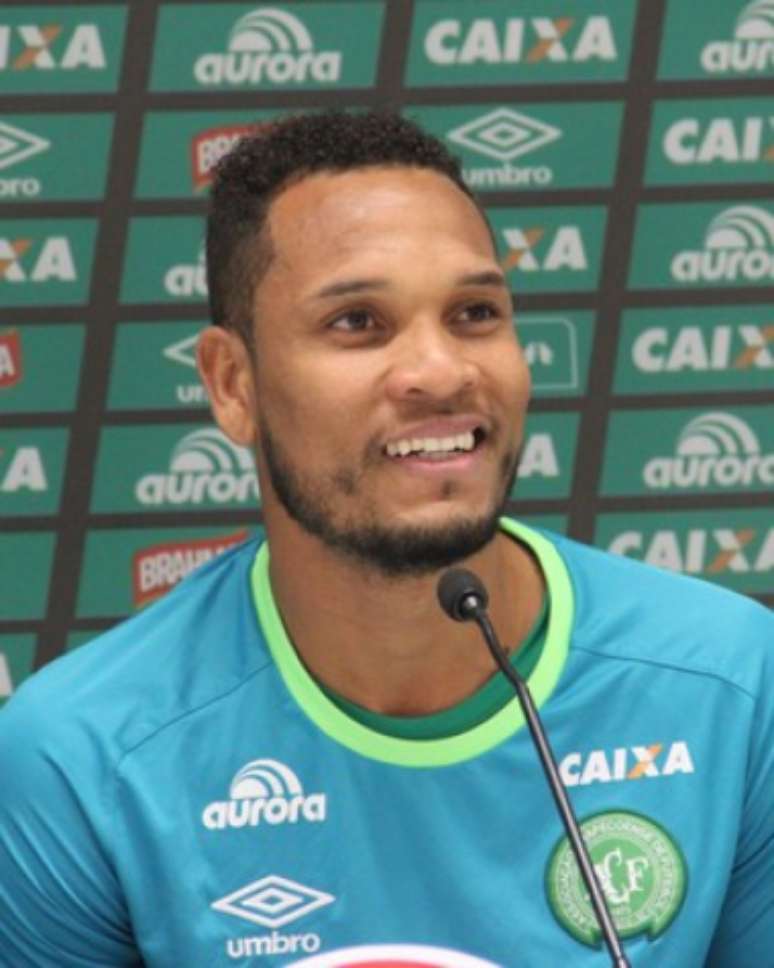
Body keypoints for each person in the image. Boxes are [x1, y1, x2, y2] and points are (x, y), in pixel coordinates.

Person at [0, 111, 771, 968]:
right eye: (358, 323)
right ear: (232, 384)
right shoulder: (85, 755)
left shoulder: (734, 683)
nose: (442, 372)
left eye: (476, 312)